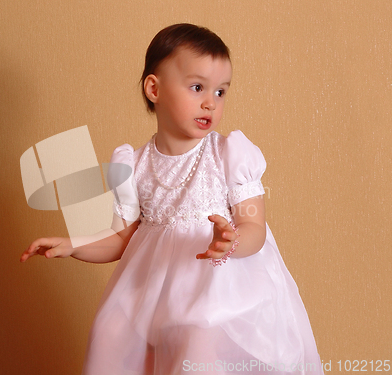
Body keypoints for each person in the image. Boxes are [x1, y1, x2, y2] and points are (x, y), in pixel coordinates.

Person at [21, 23, 324, 375]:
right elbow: (121, 238)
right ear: (154, 88)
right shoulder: (133, 165)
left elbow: (254, 225)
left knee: (199, 339)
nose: (211, 102)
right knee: (110, 331)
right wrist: (75, 245)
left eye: (222, 92)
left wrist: (232, 240)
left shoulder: (229, 155)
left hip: (217, 290)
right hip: (153, 290)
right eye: (198, 87)